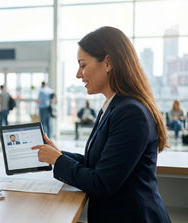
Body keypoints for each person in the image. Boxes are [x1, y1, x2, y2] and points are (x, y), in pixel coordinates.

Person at [32, 26, 171, 222]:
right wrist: (59, 154)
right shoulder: (114, 105)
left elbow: (102, 183)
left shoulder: (131, 112)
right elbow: (98, 164)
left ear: (108, 63)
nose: (78, 75)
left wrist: (58, 160)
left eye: (82, 65)